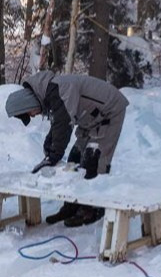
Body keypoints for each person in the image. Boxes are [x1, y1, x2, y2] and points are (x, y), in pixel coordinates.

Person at [4, 71, 129, 227]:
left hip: (109, 112)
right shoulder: (50, 94)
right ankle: (72, 205)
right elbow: (58, 122)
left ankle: (93, 208)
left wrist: (53, 155)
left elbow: (64, 123)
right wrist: (49, 145)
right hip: (90, 119)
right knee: (74, 159)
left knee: (94, 161)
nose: (33, 115)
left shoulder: (59, 89)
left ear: (29, 103)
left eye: (29, 113)